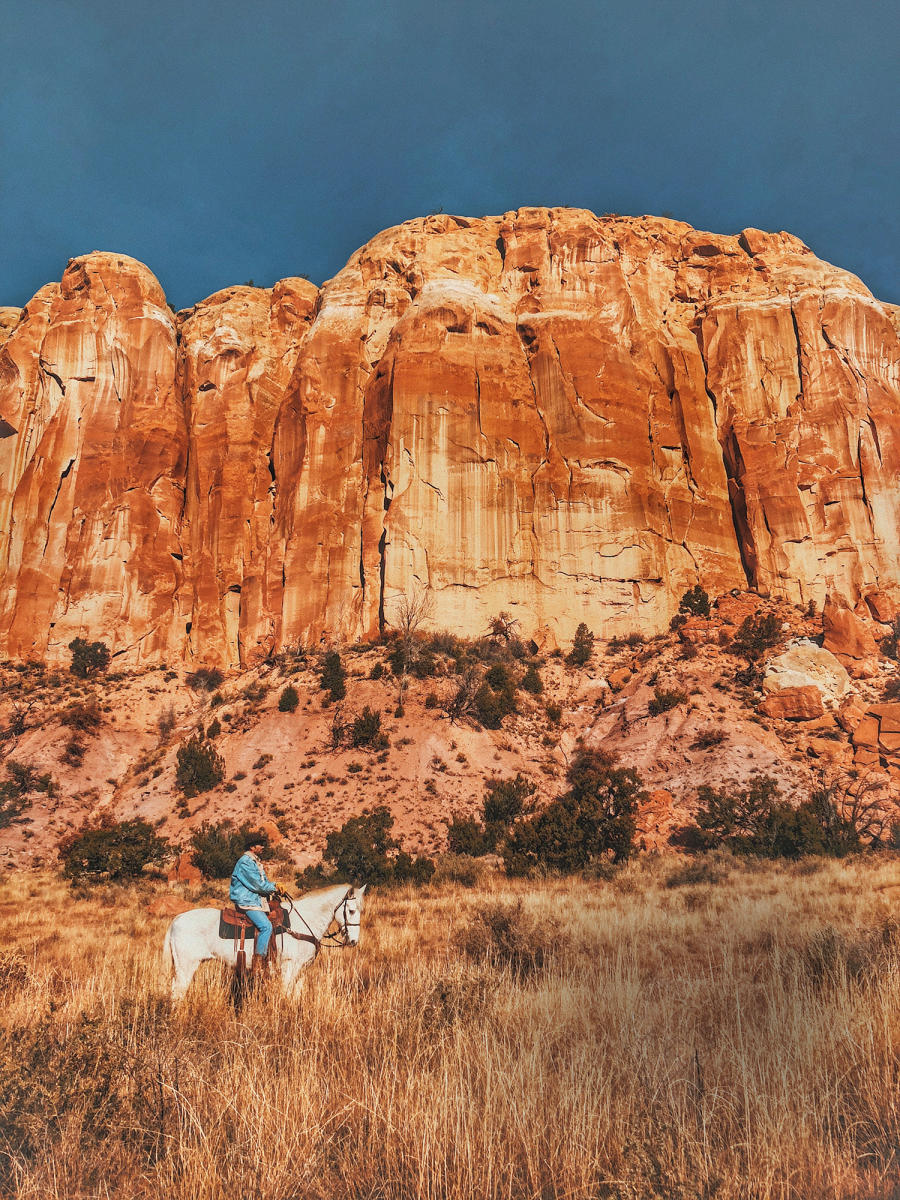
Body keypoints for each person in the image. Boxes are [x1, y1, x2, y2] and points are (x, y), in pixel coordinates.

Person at [230, 832, 278, 977]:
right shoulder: (245, 861)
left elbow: (264, 883)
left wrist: (276, 888)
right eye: (260, 844)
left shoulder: (255, 861)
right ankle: (258, 963)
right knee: (266, 926)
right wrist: (275, 886)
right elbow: (258, 885)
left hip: (255, 901)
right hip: (247, 902)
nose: (263, 847)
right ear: (252, 846)